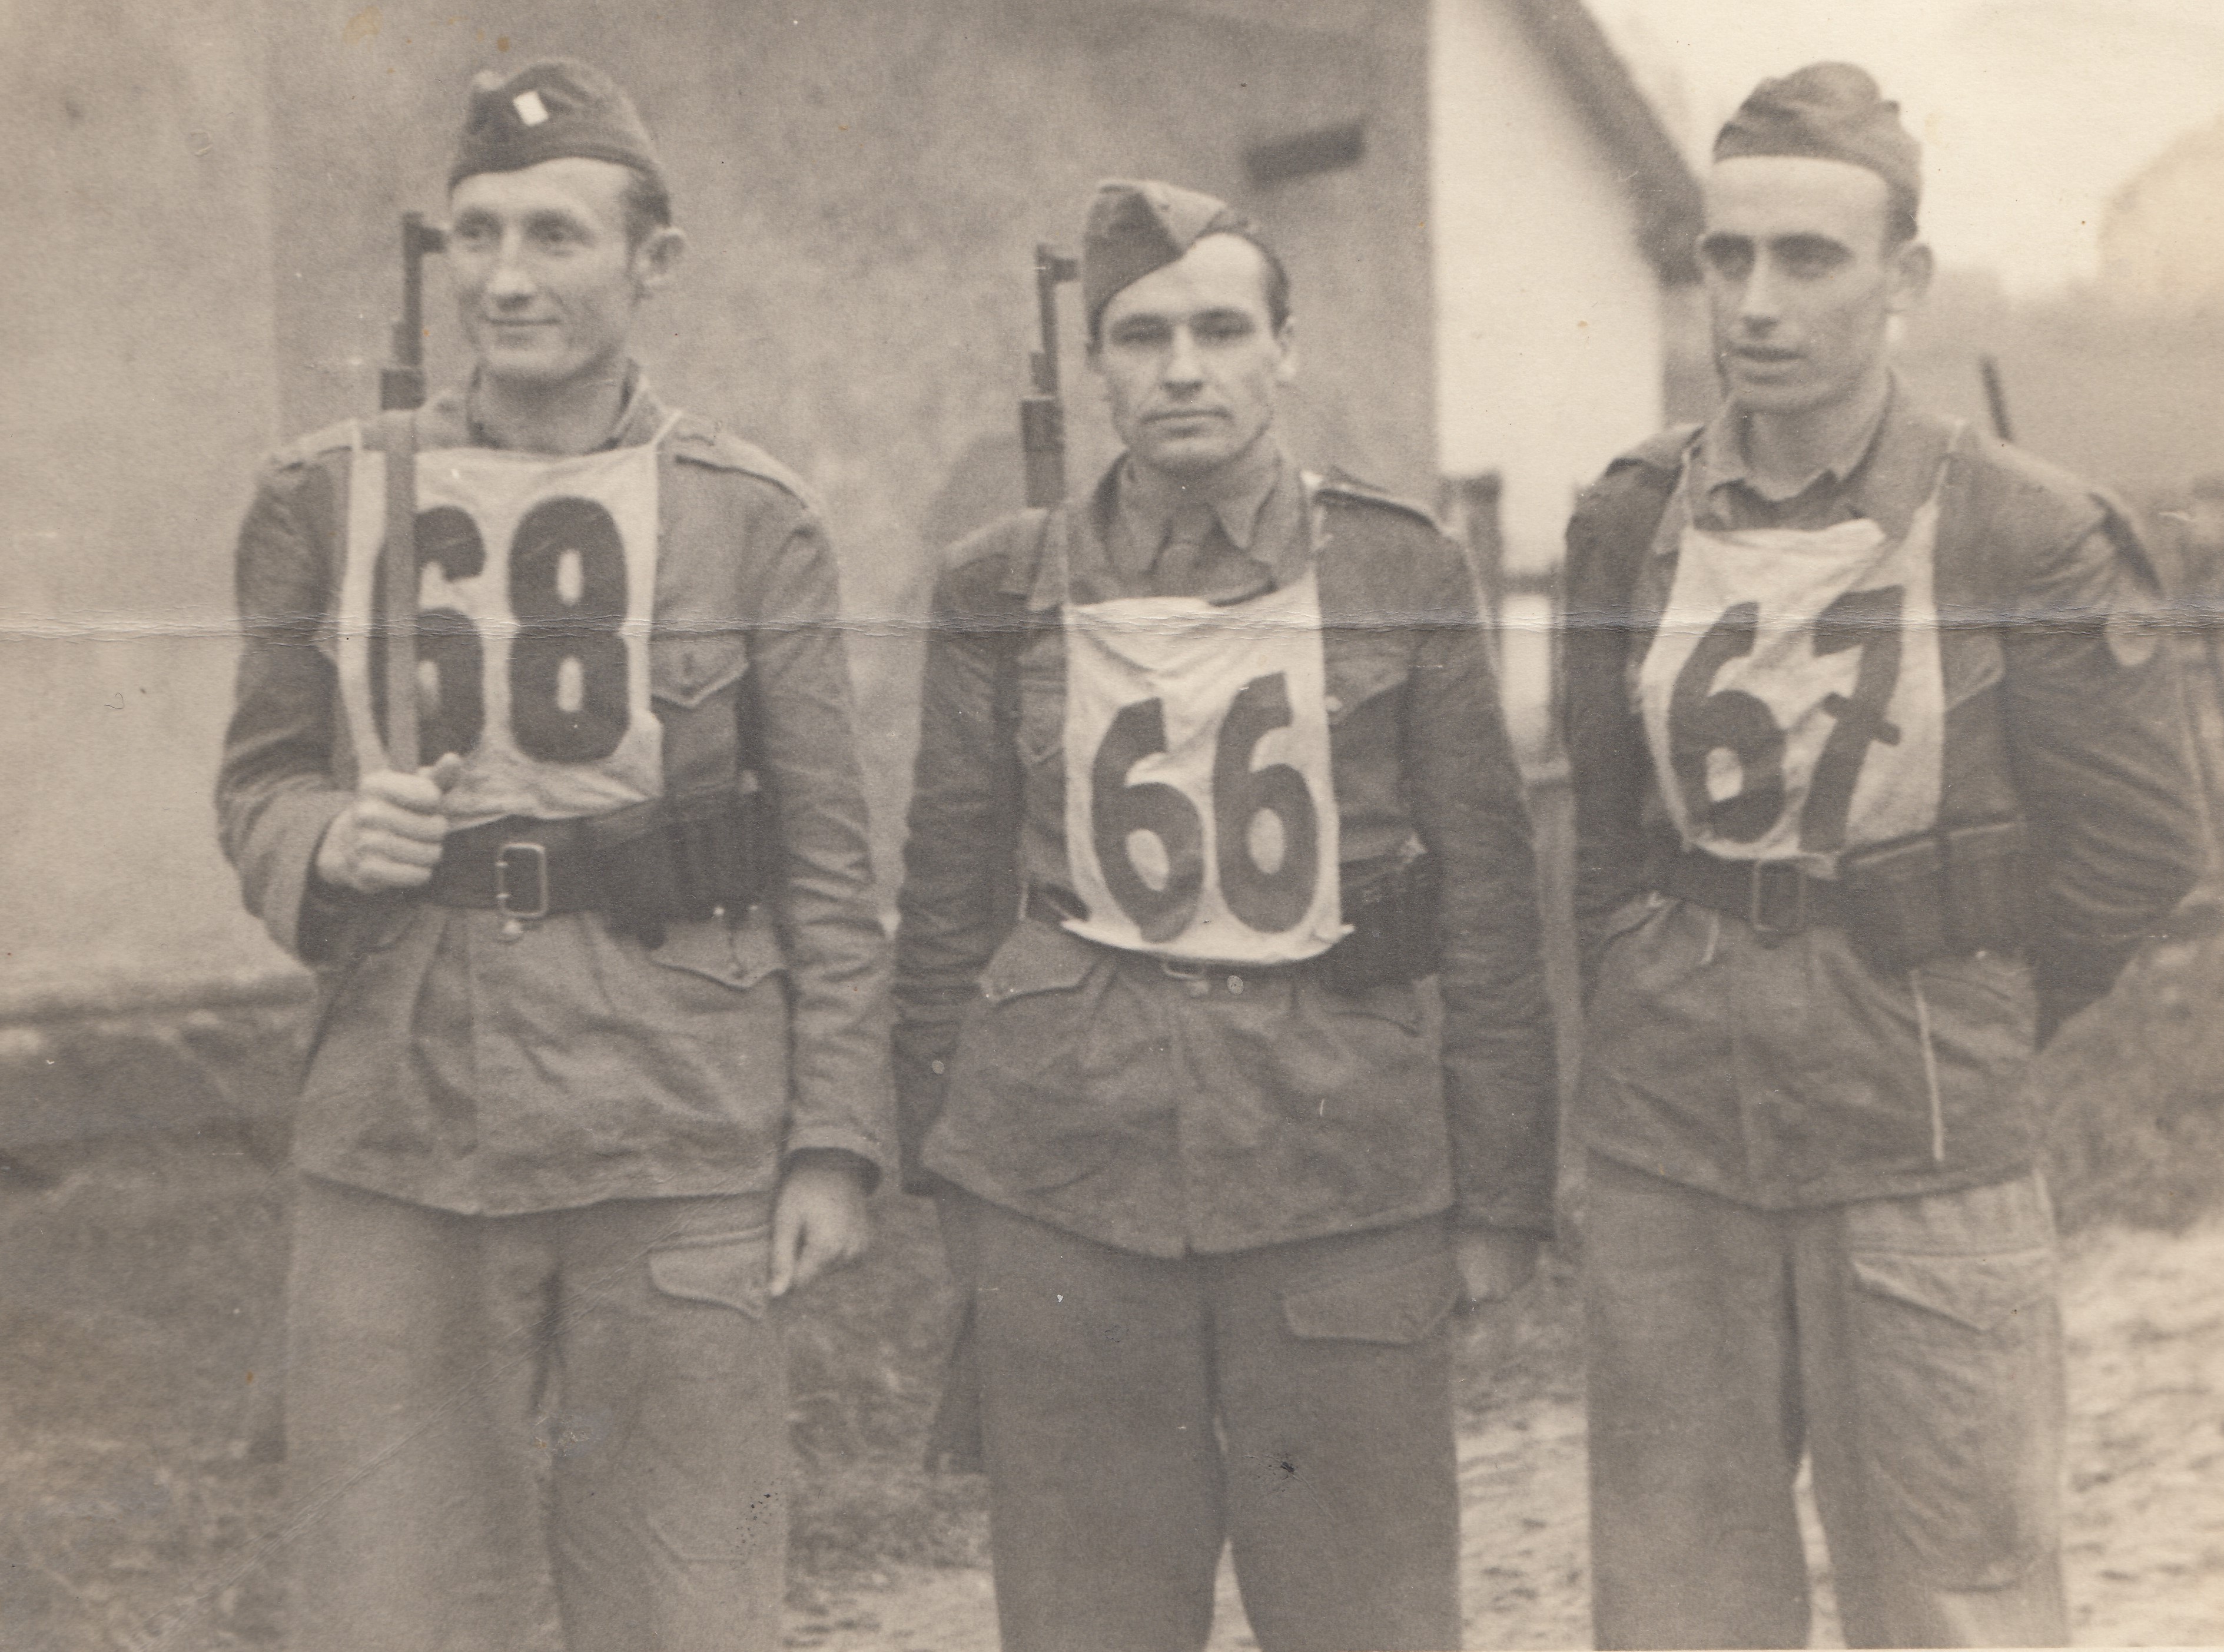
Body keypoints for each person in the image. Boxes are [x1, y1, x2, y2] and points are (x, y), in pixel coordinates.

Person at [215, 59, 891, 1652]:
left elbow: (826, 855)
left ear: (654, 261)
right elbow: (257, 778)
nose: (507, 277)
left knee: (681, 1599)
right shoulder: (324, 494)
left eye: (556, 236)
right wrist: (330, 835)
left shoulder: (750, 517)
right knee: (389, 1602)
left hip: (675, 1115)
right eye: (478, 233)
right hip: (401, 1112)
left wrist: (833, 1141)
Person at [1562, 62, 2206, 1650]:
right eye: (1726, 256)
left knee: (1954, 1599)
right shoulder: (1632, 515)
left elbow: (2140, 844)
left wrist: (1972, 998)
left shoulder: (2022, 529)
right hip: (1671, 1146)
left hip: (1921, 1146)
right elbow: (1604, 823)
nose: (1755, 303)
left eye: (1808, 258)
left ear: (1902, 277)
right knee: (1675, 1604)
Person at [892, 178, 1556, 1652]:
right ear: (1094, 365)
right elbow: (943, 893)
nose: (1180, 369)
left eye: (1219, 330)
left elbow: (1491, 904)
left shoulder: (1398, 568)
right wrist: (946, 1170)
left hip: (1344, 1168)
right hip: (1064, 1177)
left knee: (1366, 1616)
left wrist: (1501, 1193)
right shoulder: (997, 584)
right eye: (1139, 337)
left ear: (1284, 350)